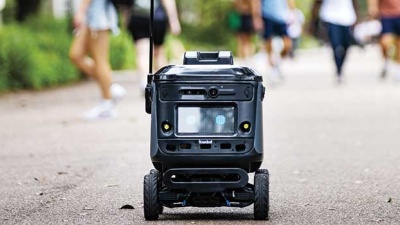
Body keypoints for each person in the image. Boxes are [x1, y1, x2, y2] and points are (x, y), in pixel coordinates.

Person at [69, 0, 127, 120]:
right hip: (91, 13)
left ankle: (107, 104)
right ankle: (110, 86)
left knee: (100, 59)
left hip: (98, 13)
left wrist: (80, 11)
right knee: (76, 55)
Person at [127, 0, 181, 91]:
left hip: (138, 17)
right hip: (157, 17)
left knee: (142, 53)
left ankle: (145, 81)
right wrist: (173, 20)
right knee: (159, 53)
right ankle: (163, 84)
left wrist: (127, 17)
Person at [311, 0, 358, 83]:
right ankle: (338, 69)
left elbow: (355, 2)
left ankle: (341, 67)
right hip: (330, 17)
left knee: (346, 45)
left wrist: (357, 17)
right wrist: (313, 18)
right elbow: (317, 2)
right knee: (336, 45)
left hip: (347, 17)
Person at [252, 0, 295, 80]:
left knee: (288, 44)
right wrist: (256, 17)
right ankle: (271, 67)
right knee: (268, 43)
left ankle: (278, 62)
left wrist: (292, 12)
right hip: (267, 15)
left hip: (282, 16)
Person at [368, 0, 400, 80]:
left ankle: (397, 66)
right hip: (386, 15)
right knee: (385, 42)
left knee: (398, 44)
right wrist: (373, 7)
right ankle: (386, 61)